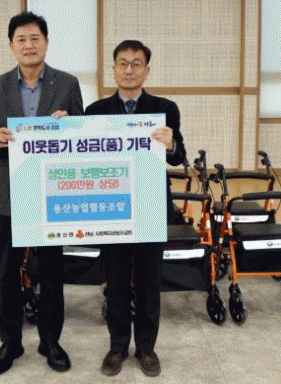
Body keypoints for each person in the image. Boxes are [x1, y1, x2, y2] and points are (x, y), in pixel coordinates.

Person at [0, 11, 84, 375]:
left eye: (35, 38)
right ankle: (10, 342)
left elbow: (81, 131)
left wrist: (69, 127)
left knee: (51, 271)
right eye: (21, 39)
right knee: (8, 272)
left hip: (52, 192)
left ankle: (50, 341)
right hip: (10, 192)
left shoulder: (67, 84)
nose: (29, 45)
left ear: (46, 43)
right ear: (11, 46)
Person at [84, 40, 186, 378]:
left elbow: (179, 157)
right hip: (112, 207)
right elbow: (80, 153)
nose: (129, 70)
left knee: (148, 283)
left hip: (150, 205)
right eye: (123, 63)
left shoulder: (165, 108)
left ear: (147, 70)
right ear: (114, 69)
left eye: (136, 64)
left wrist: (171, 144)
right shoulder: (95, 111)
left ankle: (146, 347)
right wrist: (59, 126)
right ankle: (117, 347)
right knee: (115, 282)